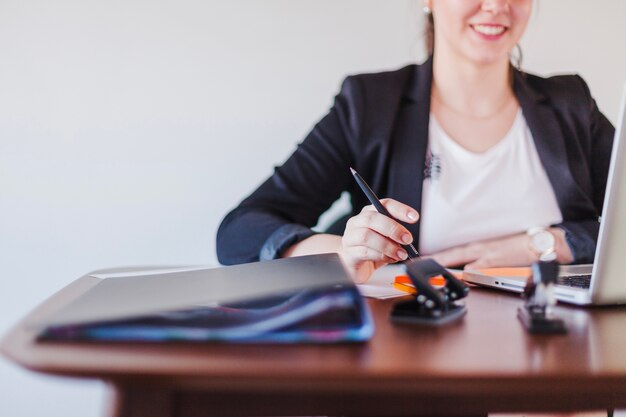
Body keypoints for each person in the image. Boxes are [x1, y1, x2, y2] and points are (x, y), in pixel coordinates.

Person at [216, 0, 615, 284]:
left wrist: (543, 244)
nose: (496, 5)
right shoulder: (370, 104)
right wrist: (344, 252)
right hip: (418, 346)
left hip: (557, 348)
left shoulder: (571, 103)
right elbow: (239, 232)